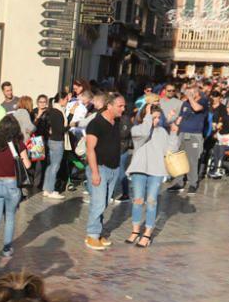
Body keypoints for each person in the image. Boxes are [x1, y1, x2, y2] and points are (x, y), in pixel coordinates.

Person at [126, 106, 180, 248]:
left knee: (151, 202)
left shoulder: (162, 131)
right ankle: (135, 231)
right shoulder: (137, 129)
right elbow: (144, 133)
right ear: (145, 117)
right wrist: (148, 118)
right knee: (138, 201)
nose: (156, 120)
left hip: (156, 170)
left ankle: (147, 234)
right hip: (139, 169)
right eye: (153, 117)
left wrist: (174, 134)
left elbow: (171, 150)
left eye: (158, 117)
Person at [0, 117, 32, 261]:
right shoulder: (18, 144)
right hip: (12, 184)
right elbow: (27, 166)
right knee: (9, 218)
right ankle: (7, 249)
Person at [84, 93, 125, 251]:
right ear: (109, 106)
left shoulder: (116, 121)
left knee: (104, 203)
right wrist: (95, 172)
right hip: (99, 168)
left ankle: (97, 232)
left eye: (123, 106)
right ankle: (92, 235)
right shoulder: (96, 124)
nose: (123, 109)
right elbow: (90, 149)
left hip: (114, 169)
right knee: (98, 202)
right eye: (120, 106)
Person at [171, 84, 208, 194]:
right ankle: (179, 182)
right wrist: (176, 123)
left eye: (190, 93)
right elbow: (181, 116)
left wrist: (191, 98)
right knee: (180, 158)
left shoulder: (203, 101)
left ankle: (193, 183)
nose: (187, 95)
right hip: (182, 133)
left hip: (194, 135)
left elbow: (197, 109)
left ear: (196, 93)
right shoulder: (185, 103)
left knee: (192, 160)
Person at [39, 94, 66, 199]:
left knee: (50, 166)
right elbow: (60, 130)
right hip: (57, 141)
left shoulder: (50, 111)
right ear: (61, 100)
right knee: (55, 166)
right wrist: (71, 126)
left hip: (50, 140)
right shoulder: (58, 112)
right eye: (66, 99)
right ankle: (50, 190)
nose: (67, 102)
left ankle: (46, 189)